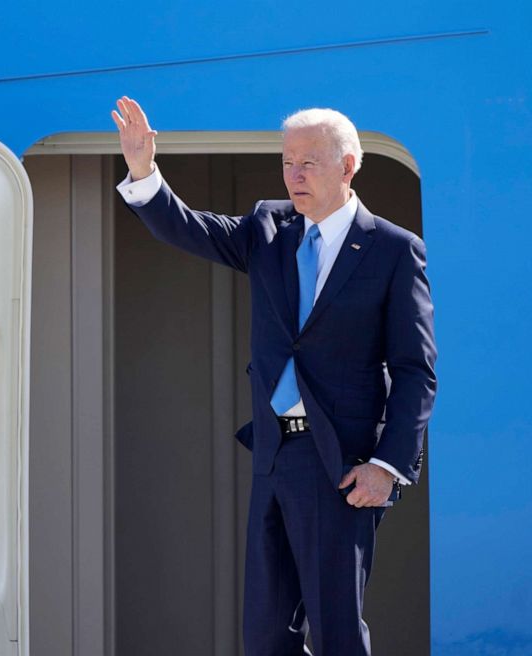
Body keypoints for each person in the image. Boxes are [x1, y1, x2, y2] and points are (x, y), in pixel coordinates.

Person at [111, 96, 437, 655]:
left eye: (309, 161)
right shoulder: (270, 226)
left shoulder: (392, 249)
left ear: (349, 165)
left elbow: (415, 371)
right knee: (265, 635)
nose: (295, 174)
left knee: (336, 630)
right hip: (273, 453)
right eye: (288, 162)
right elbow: (189, 229)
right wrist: (144, 172)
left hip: (343, 463)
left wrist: (388, 465)